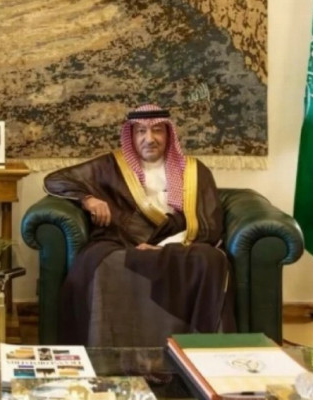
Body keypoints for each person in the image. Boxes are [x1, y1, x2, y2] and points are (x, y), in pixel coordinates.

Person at [44, 104, 235, 347]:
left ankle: (193, 351)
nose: (150, 139)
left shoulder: (194, 171)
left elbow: (209, 222)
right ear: (131, 135)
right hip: (125, 242)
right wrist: (88, 199)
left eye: (157, 130)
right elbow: (56, 180)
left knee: (211, 260)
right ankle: (113, 350)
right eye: (141, 131)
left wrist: (164, 247)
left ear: (169, 134)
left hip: (180, 244)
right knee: (101, 263)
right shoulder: (111, 166)